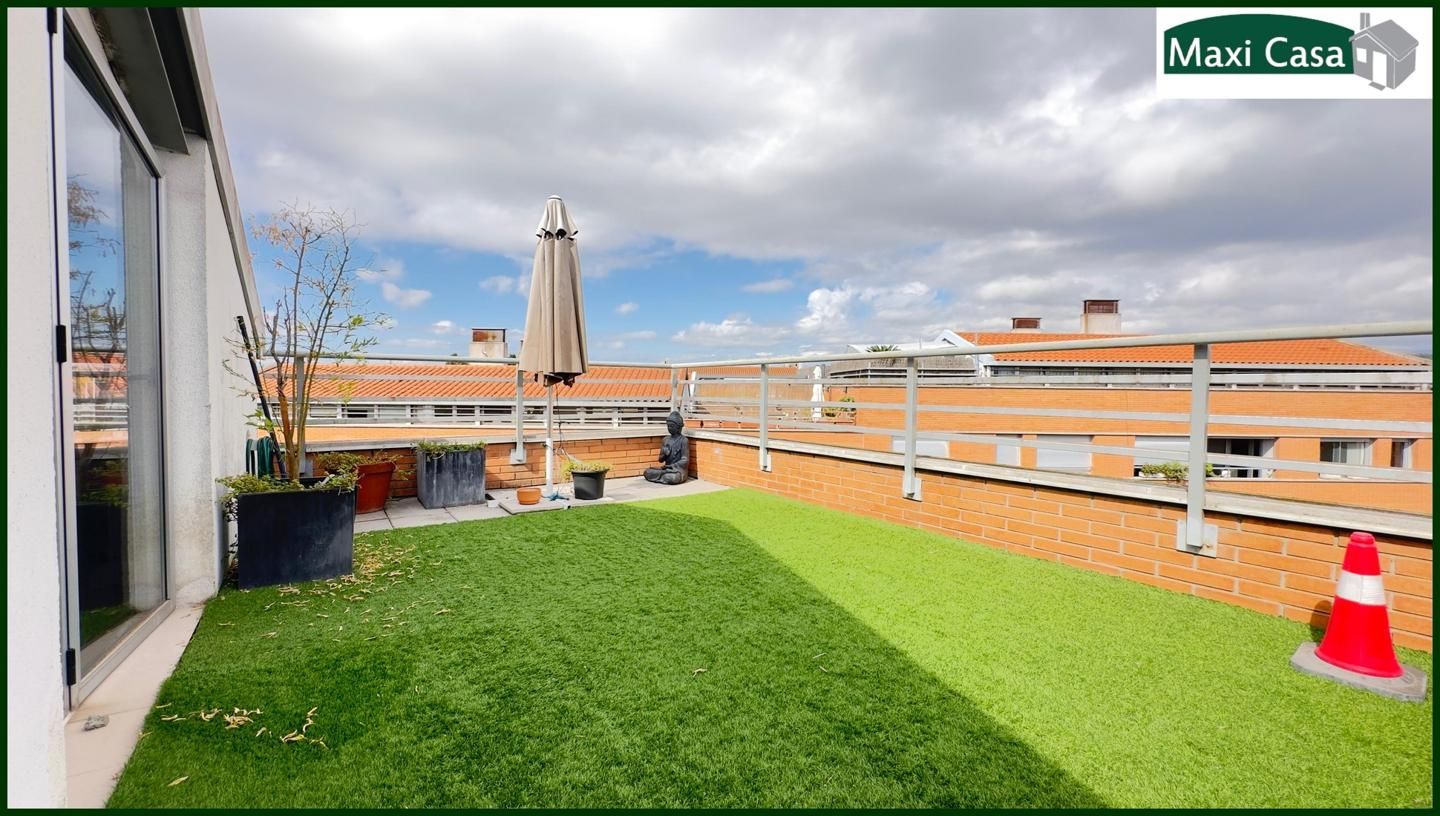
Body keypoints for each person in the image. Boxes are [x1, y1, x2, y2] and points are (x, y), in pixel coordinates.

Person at [644, 410, 689, 485]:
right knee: (647, 472)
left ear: (678, 427)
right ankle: (663, 476)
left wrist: (672, 466)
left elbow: (685, 460)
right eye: (668, 426)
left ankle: (663, 477)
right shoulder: (665, 440)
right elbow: (660, 460)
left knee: (673, 478)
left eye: (672, 426)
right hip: (666, 469)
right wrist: (664, 453)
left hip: (677, 470)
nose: (669, 428)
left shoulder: (683, 440)